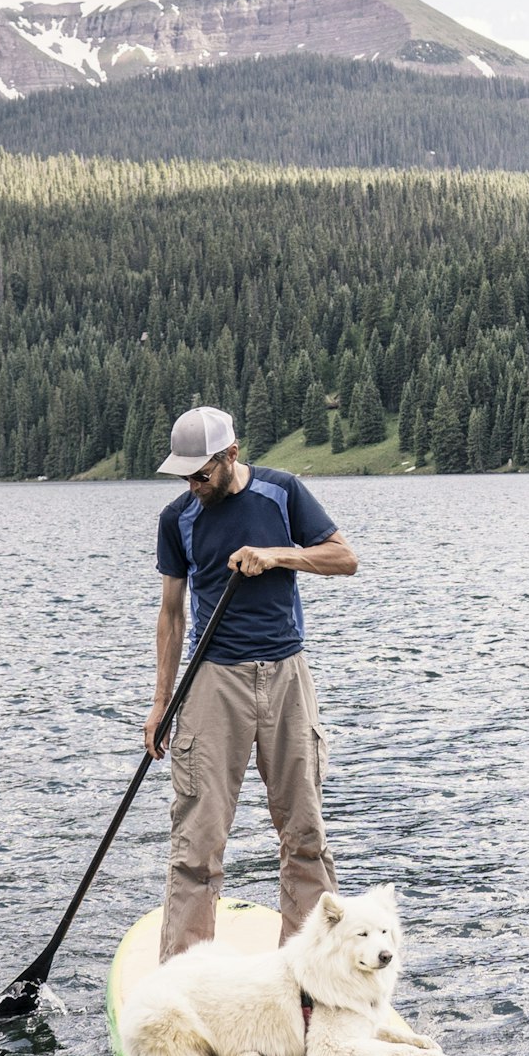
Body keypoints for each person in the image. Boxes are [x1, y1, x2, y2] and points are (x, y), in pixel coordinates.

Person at [147, 404, 358, 961]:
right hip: (212, 682)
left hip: (288, 676)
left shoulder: (282, 493)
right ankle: (185, 983)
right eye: (185, 475)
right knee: (198, 842)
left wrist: (277, 556)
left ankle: (313, 975)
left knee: (305, 834)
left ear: (231, 456)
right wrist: (160, 704)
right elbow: (171, 615)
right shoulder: (178, 519)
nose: (193, 485)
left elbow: (344, 558)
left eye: (202, 474)